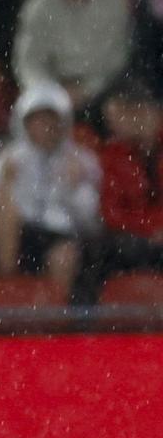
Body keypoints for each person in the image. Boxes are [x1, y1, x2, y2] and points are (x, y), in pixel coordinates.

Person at [0, 82, 100, 298]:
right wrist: (4, 185)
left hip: (63, 237)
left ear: (64, 122)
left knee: (64, 255)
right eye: (37, 120)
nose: (45, 126)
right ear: (24, 122)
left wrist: (73, 187)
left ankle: (57, 315)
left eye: (51, 119)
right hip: (19, 236)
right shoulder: (5, 160)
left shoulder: (83, 161)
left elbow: (90, 224)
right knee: (7, 213)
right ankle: (7, 292)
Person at [88, 78, 163, 286]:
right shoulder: (112, 155)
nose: (111, 125)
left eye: (115, 117)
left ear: (138, 112)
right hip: (136, 240)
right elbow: (111, 213)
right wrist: (151, 230)